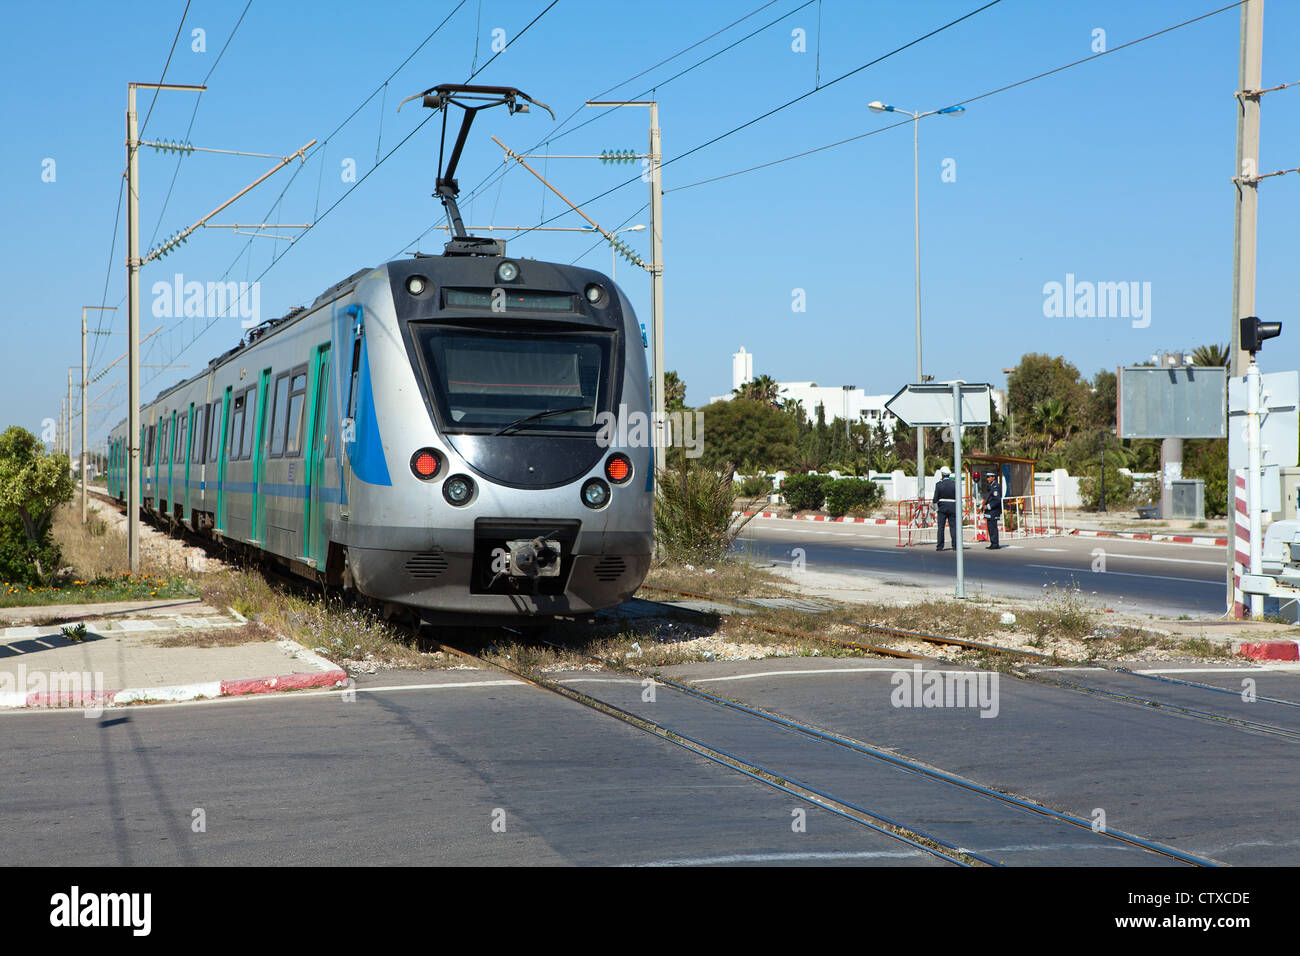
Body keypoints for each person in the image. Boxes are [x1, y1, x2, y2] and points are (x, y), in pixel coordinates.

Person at [932, 465, 957, 551]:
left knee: (941, 528)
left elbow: (935, 499)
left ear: (942, 474)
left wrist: (936, 509)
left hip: (942, 508)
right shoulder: (954, 484)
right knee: (953, 527)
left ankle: (940, 546)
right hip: (953, 507)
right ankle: (955, 546)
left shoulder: (939, 485)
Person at [984, 472, 1003, 549]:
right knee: (990, 527)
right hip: (990, 511)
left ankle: (995, 544)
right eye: (987, 477)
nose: (987, 479)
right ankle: (993, 543)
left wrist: (988, 506)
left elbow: (997, 500)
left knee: (993, 527)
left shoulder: (996, 486)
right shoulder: (991, 486)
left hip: (994, 510)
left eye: (989, 477)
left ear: (993, 477)